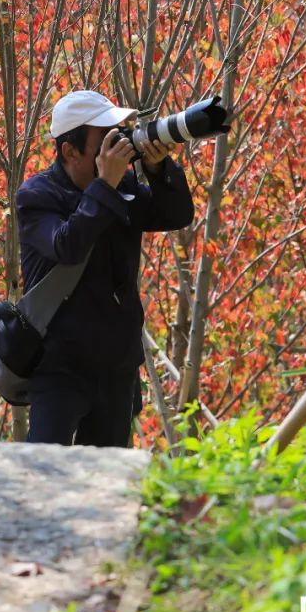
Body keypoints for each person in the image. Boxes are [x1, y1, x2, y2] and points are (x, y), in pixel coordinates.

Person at [16, 88, 195, 447]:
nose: (118, 145)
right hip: (59, 368)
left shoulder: (124, 186)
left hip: (116, 366)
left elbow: (176, 215)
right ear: (70, 151)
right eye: (106, 138)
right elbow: (67, 246)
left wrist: (158, 169)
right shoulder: (37, 196)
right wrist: (105, 186)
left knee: (103, 483)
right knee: (42, 473)